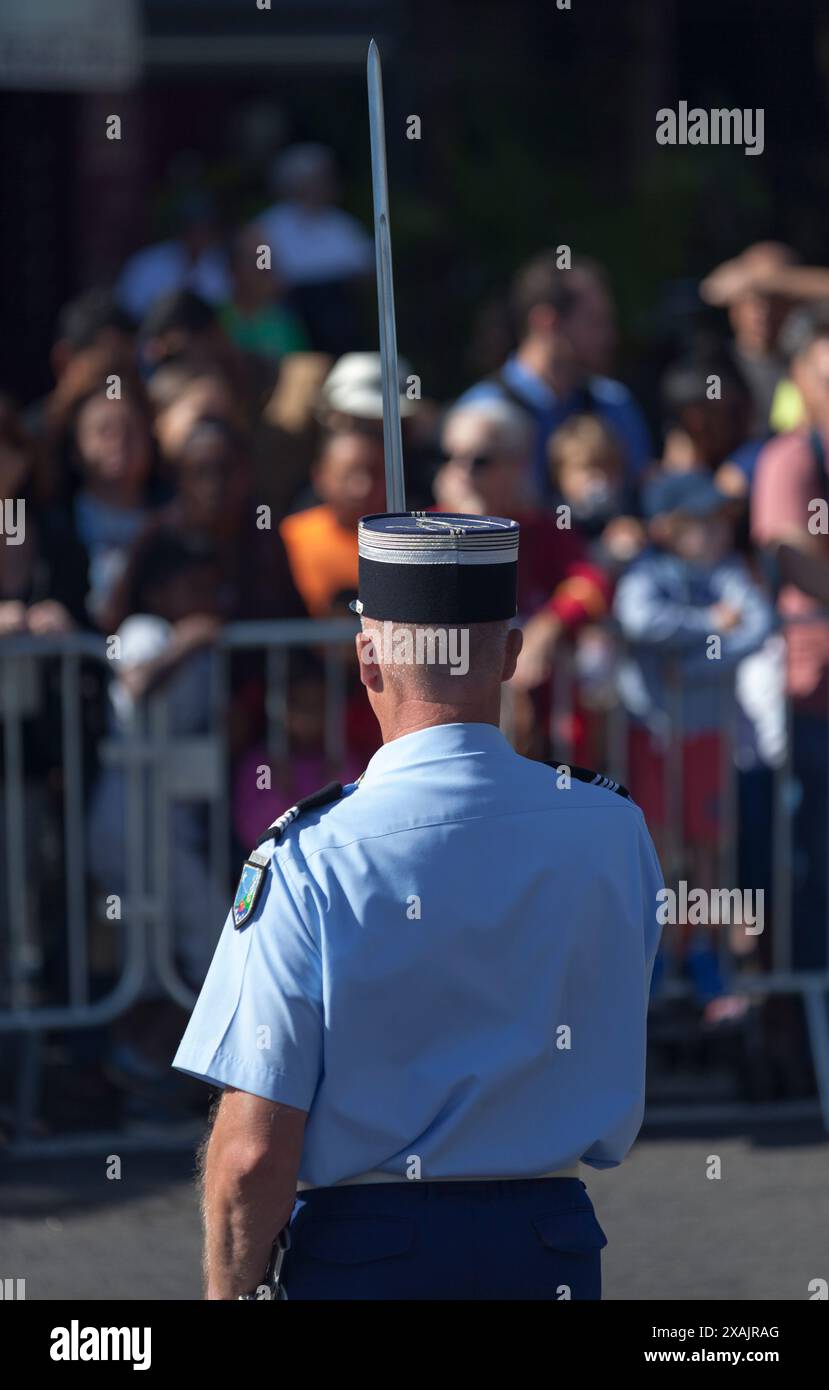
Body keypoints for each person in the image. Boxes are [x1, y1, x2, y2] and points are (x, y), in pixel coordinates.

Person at [173, 509, 663, 1301]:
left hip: (367, 1253)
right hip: (551, 1245)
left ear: (367, 658)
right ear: (509, 654)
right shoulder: (612, 829)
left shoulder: (307, 855)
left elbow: (253, 1148)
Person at [457, 252, 652, 495]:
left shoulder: (613, 404)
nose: (610, 336)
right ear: (546, 322)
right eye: (594, 321)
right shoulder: (481, 415)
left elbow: (641, 494)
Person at [254, 144, 372, 355]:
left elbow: (368, 275)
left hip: (342, 324)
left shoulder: (345, 227)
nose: (325, 186)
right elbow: (259, 276)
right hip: (292, 321)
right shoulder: (267, 228)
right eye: (317, 179)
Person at [278, 430, 386, 616]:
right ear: (320, 477)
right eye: (349, 475)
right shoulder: (291, 536)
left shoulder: (400, 540)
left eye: (374, 473)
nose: (362, 487)